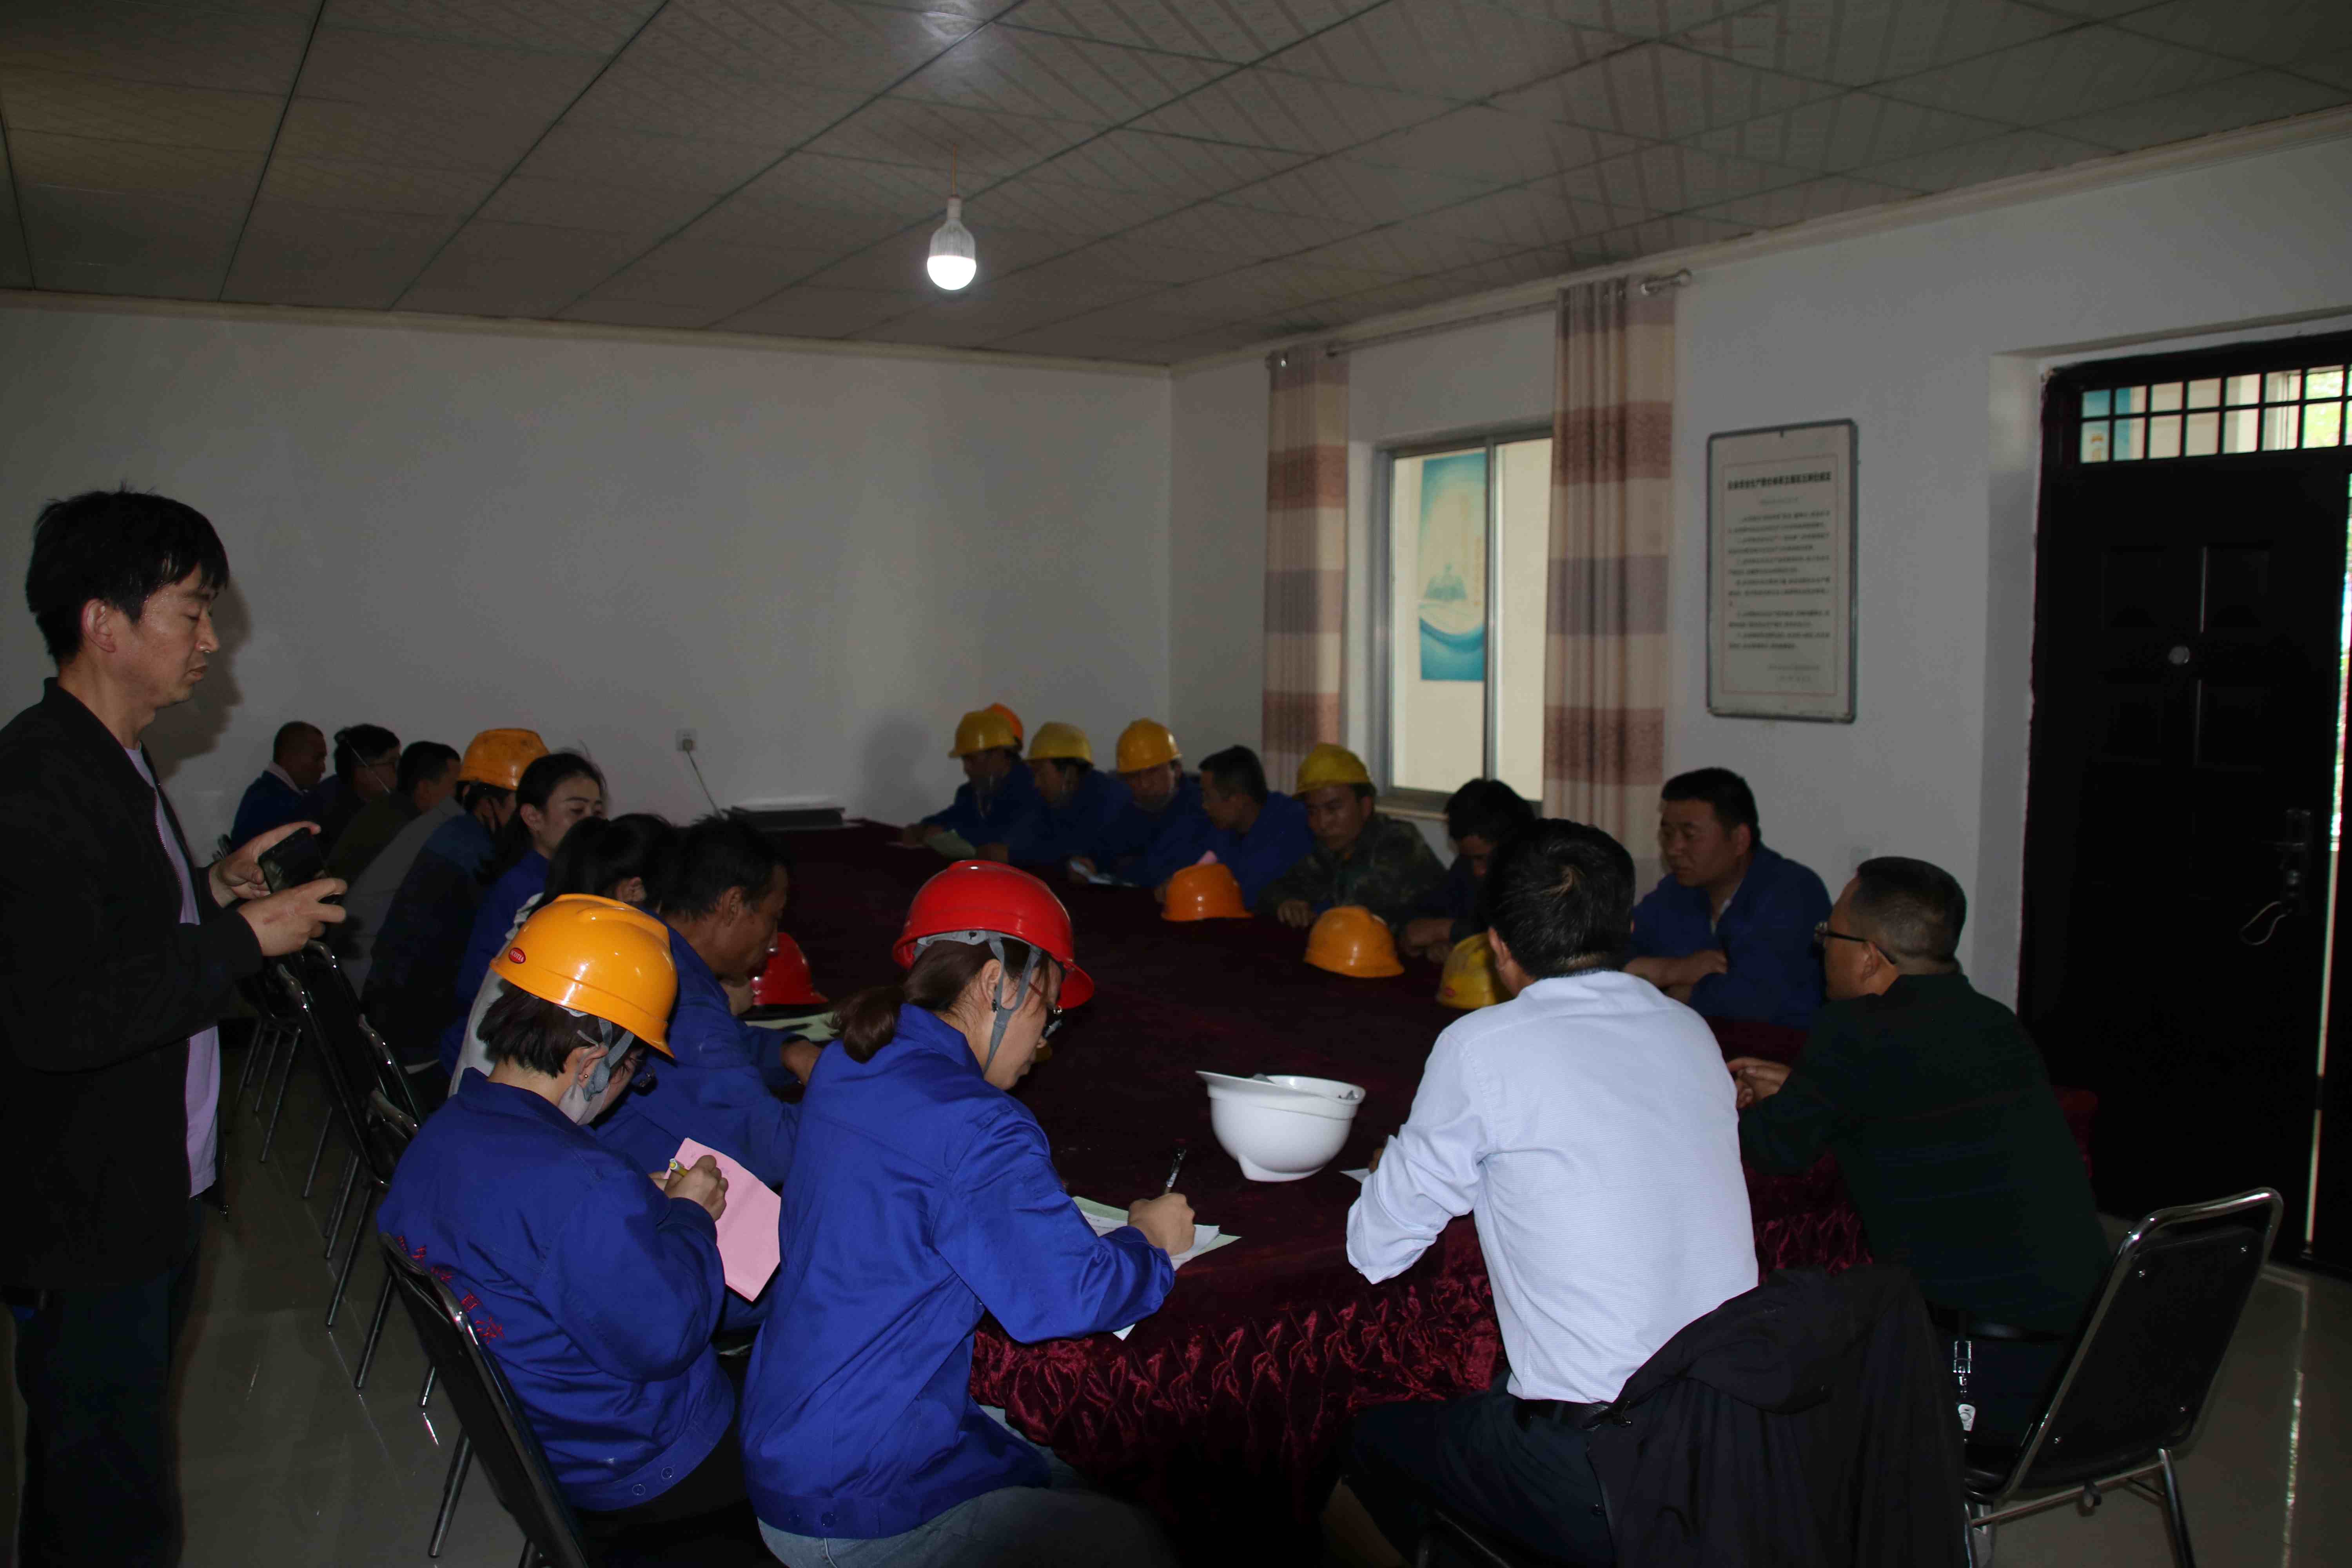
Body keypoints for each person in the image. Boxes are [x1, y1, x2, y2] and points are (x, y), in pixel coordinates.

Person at [1, 488, 345, 1568]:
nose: (209, 640)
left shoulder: (115, 757)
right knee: (113, 1501)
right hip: (87, 1211)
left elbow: (115, 935)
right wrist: (241, 938)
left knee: (95, 1478)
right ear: (103, 622)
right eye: (191, 612)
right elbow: (55, 1012)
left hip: (150, 1188)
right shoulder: (37, 779)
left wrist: (210, 888)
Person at [740, 861, 1191, 1567]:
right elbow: (1065, 1296)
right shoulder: (977, 1121)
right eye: (1047, 1011)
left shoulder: (849, 1066)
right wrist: (1149, 1242)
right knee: (1140, 1537)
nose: (1044, 1042)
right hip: (855, 1497)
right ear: (997, 985)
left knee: (1068, 1471)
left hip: (793, 1435)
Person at [1339, 820, 1757, 1566]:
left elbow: (1379, 1247)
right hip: (1730, 1433)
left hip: (1602, 1466)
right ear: (1628, 928)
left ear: (1497, 946)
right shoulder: (1690, 1030)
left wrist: (1402, 1163)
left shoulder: (1483, 1045)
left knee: (1352, 1434)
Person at [379, 895, 760, 1558]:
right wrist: (692, 1214)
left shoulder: (438, 1139)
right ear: (590, 1064)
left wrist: (631, 1202)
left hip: (548, 1445)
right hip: (650, 1468)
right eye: (631, 1072)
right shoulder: (580, 1187)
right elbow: (670, 1336)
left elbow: (531, 1230)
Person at [1727, 858, 2109, 1441]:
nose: (1821, 948)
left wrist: (1738, 1101)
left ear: (1869, 957)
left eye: (1828, 934)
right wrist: (1806, 1091)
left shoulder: (1853, 1031)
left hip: (1980, 1373)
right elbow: (1898, 1104)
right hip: (2093, 1358)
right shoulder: (1995, 1022)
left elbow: (1773, 1150)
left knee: (1766, 1377)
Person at [595, 814, 818, 1187]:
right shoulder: (680, 999)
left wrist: (789, 1051)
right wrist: (851, 1098)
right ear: (733, 904)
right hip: (618, 1192)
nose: (774, 943)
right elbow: (775, 1153)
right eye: (773, 918)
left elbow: (722, 1041)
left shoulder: (645, 946)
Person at [451, 813, 675, 1094]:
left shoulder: (550, 918)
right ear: (634, 890)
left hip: (481, 1096)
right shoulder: (589, 954)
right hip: (509, 1101)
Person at [364, 727, 547, 1065]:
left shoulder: (461, 835)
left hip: (399, 1016)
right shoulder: (473, 857)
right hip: (419, 1036)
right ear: (486, 802)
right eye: (520, 805)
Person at [434, 752, 608, 1078]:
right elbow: (475, 989)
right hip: (485, 1055)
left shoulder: (548, 878)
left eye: (597, 812)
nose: (592, 823)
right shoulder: (532, 892)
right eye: (577, 811)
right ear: (532, 817)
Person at [1626, 767, 1831, 1031]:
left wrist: (1677, 994)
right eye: (1667, 834)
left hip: (1775, 1050)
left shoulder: (1794, 891)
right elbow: (1605, 958)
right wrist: (1674, 971)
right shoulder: (1676, 891)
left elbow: (1755, 1002)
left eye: (1690, 835)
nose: (1674, 849)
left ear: (1740, 840)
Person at [1259, 743, 1444, 931]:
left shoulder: (1398, 842)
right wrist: (1287, 903)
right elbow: (1272, 891)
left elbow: (1357, 916)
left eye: (1333, 809)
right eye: (1313, 811)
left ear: (1365, 807)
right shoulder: (1334, 847)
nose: (1322, 823)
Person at [1399, 779, 1537, 962]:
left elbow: (1525, 942)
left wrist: (1448, 931)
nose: (1477, 871)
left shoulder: (1543, 878)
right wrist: (1430, 942)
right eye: (1469, 858)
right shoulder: (1466, 867)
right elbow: (1422, 915)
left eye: (1483, 858)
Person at [1161, 744, 1311, 909]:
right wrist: (1176, 884)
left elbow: (1249, 893)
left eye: (1208, 797)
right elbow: (1195, 865)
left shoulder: (1292, 825)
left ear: (1237, 801)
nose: (1205, 806)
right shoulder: (1224, 827)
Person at [1083, 719, 1207, 887]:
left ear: (1176, 770)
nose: (1144, 784)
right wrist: (1088, 865)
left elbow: (1159, 872)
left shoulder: (1204, 809)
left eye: (1152, 772)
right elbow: (1103, 853)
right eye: (1134, 776)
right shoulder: (1126, 809)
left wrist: (1126, 868)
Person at [900, 708, 1037, 858]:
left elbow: (1007, 839)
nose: (966, 769)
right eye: (964, 760)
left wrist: (946, 833)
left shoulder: (1033, 789)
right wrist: (923, 829)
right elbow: (954, 817)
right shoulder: (971, 792)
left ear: (998, 755)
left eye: (971, 759)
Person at [326, 738, 458, 886]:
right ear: (425, 788)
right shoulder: (403, 826)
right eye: (454, 785)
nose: (460, 793)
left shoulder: (393, 809)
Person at [1002, 722, 1130, 869]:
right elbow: (1027, 839)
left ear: (1070, 773)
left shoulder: (1110, 800)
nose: (1036, 783)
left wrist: (1015, 856)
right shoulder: (1048, 801)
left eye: (1041, 774)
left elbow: (1084, 851)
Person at [228, 719, 327, 846]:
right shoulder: (276, 804)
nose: (323, 768)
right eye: (317, 758)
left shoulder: (264, 792)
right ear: (290, 756)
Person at [310, 722, 400, 848]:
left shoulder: (392, 801)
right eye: (393, 763)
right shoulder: (334, 815)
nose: (401, 769)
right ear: (364, 771)